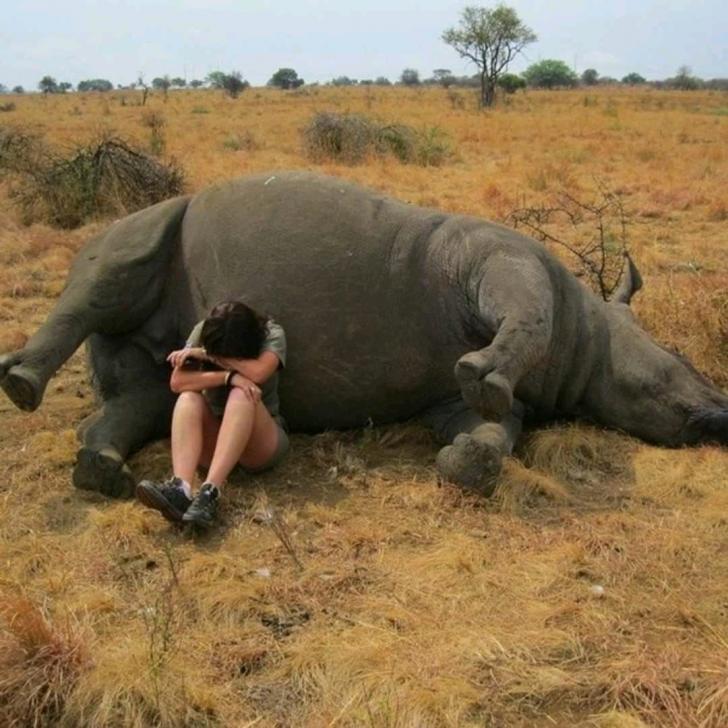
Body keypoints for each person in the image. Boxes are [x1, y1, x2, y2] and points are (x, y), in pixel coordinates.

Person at [136, 301, 288, 528]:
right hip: (215, 438)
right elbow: (178, 382)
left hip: (258, 441)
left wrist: (210, 356)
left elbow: (258, 372)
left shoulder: (271, 332)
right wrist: (228, 377)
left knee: (242, 394)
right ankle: (181, 490)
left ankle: (210, 493)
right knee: (188, 398)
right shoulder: (204, 331)